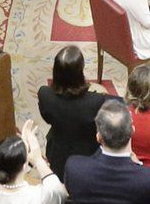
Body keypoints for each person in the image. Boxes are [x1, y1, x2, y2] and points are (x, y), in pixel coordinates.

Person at [40, 45, 119, 179]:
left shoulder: (44, 94)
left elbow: (47, 118)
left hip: (57, 153)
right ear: (80, 72)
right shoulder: (97, 101)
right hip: (87, 155)